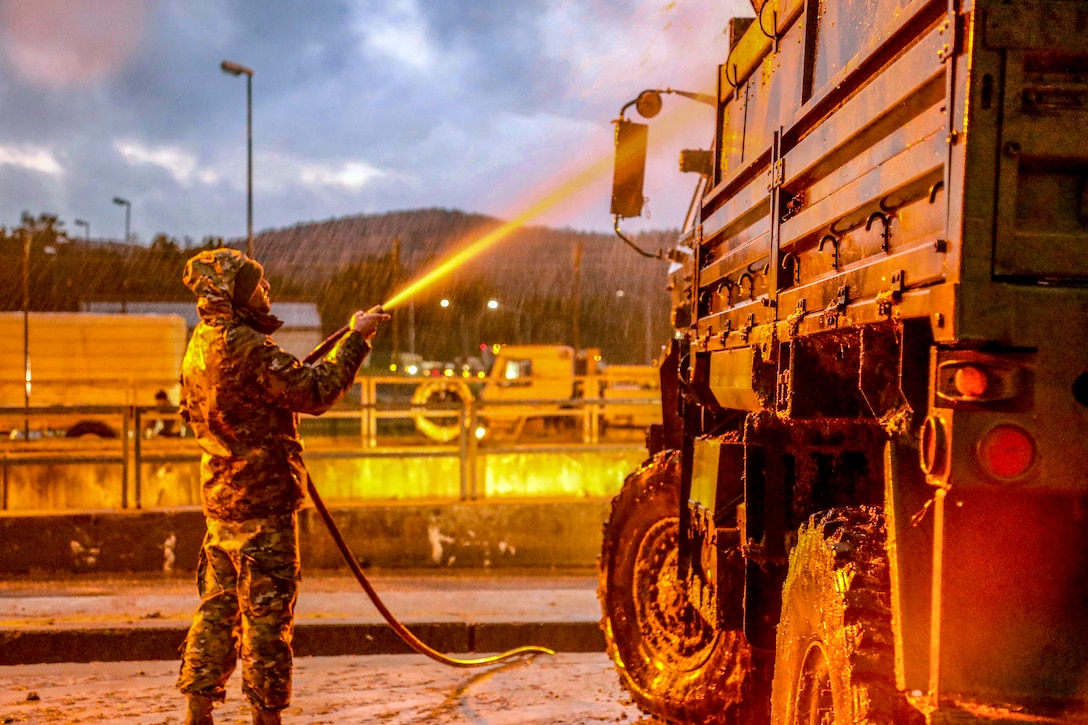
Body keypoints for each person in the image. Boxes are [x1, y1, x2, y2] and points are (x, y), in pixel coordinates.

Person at [175, 248, 389, 725]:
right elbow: (315, 392)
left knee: (217, 609)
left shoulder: (200, 344)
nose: (266, 291)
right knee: (267, 619)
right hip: (264, 504)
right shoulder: (246, 345)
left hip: (221, 503)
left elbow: (193, 412)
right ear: (230, 293)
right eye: (257, 284)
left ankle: (198, 708)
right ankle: (266, 716)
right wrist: (355, 338)